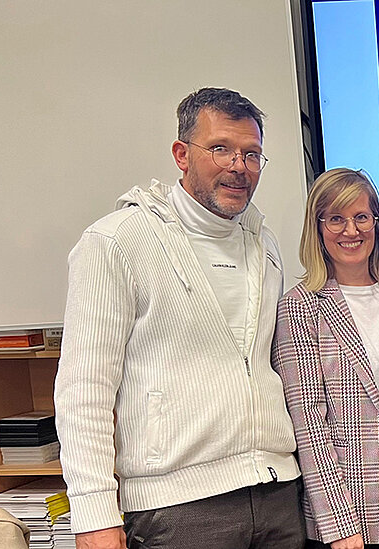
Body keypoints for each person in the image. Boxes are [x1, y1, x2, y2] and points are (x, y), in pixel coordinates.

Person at [55, 88, 303, 549]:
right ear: (182, 154)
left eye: (252, 154)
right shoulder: (116, 242)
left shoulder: (263, 244)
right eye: (221, 149)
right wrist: (93, 515)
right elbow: (84, 389)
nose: (239, 166)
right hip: (179, 509)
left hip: (278, 496)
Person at [273, 168, 379, 548]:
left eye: (361, 217)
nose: (351, 230)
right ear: (318, 227)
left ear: (377, 223)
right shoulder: (300, 307)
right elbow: (309, 424)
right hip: (352, 507)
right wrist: (340, 526)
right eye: (336, 218)